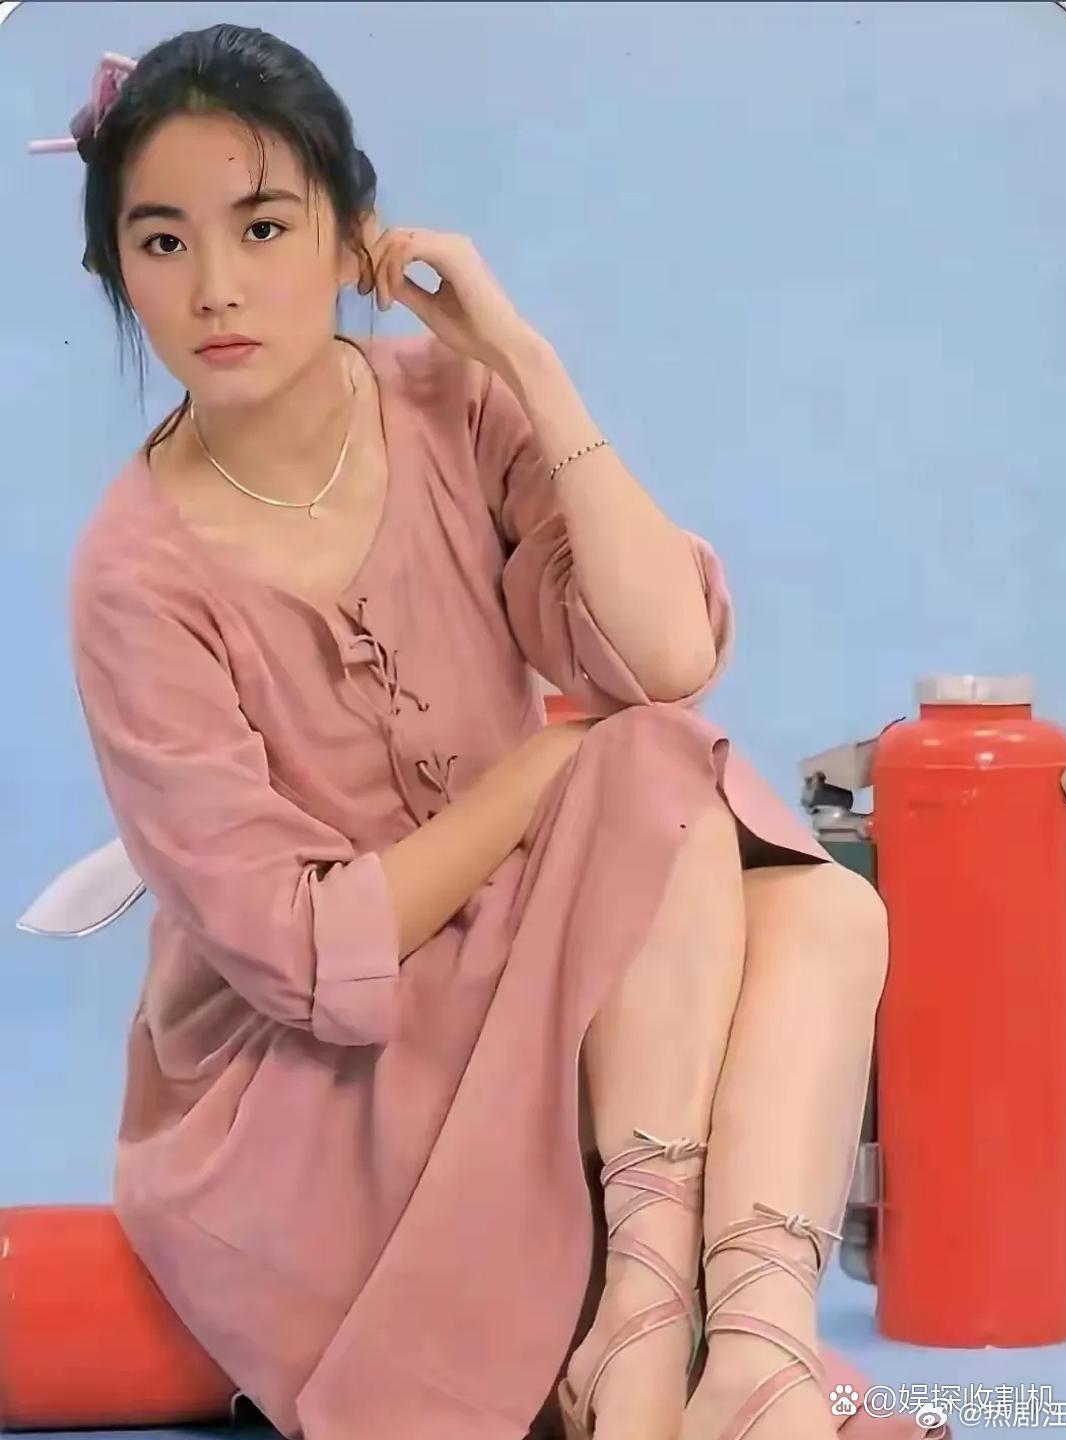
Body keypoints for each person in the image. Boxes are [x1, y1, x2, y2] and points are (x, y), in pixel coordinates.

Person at [35, 24, 946, 1440]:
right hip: (307, 1096)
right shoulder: (133, 575)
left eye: (263, 226)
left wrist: (526, 359)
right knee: (639, 769)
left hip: (536, 965)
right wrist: (547, 769)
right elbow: (301, 951)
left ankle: (739, 1352)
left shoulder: (451, 406)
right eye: (162, 243)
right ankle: (653, 1347)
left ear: (355, 237)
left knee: (825, 907)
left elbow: (666, 654)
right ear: (118, 273)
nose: (214, 286)